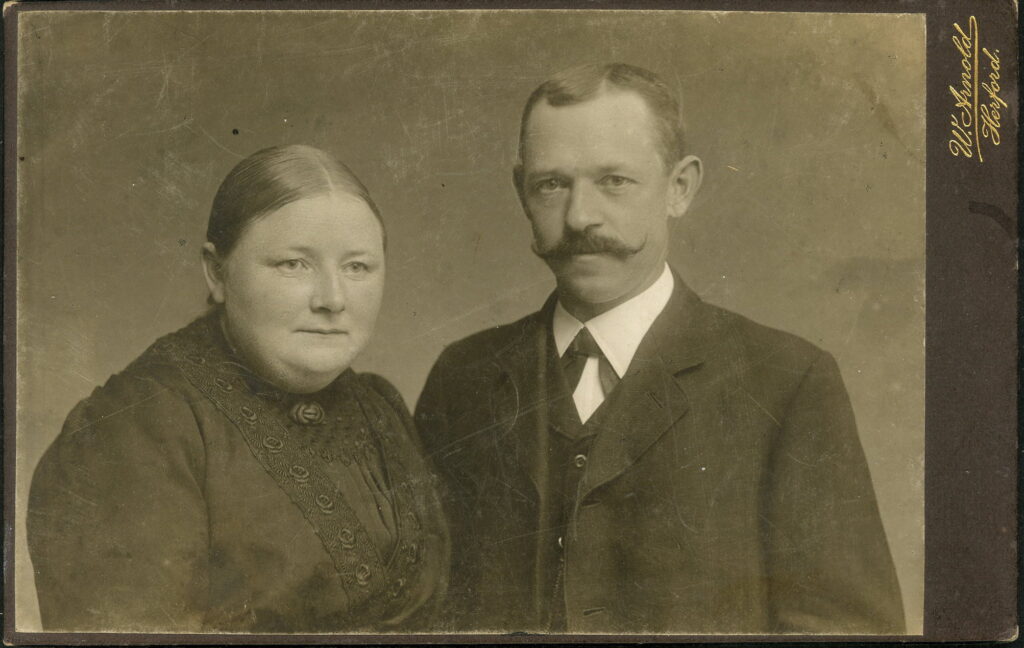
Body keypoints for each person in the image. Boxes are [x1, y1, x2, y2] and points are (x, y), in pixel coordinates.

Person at [415, 63, 905, 634]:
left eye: (614, 181)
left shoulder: (787, 380)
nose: (580, 216)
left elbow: (849, 629)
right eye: (552, 184)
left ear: (680, 188)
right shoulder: (464, 376)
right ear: (521, 191)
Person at [28, 144, 449, 633]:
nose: (333, 299)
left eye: (357, 267)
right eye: (294, 264)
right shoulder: (133, 429)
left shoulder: (381, 408)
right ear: (217, 271)